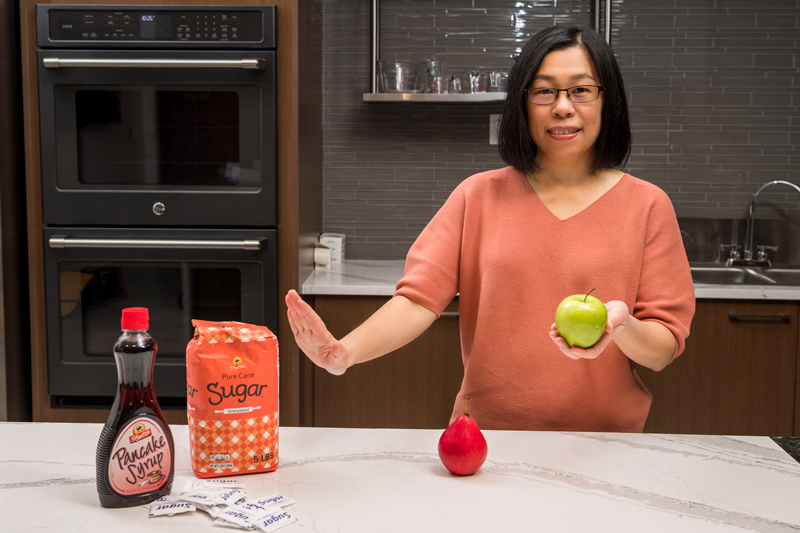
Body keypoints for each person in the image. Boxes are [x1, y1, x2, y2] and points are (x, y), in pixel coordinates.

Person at [286, 25, 695, 432]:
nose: (563, 107)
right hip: (486, 440)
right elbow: (416, 301)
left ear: (609, 102)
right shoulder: (477, 196)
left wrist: (622, 326)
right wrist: (344, 353)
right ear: (523, 103)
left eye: (581, 90)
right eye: (544, 91)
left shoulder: (647, 206)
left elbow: (661, 350)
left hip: (607, 444)